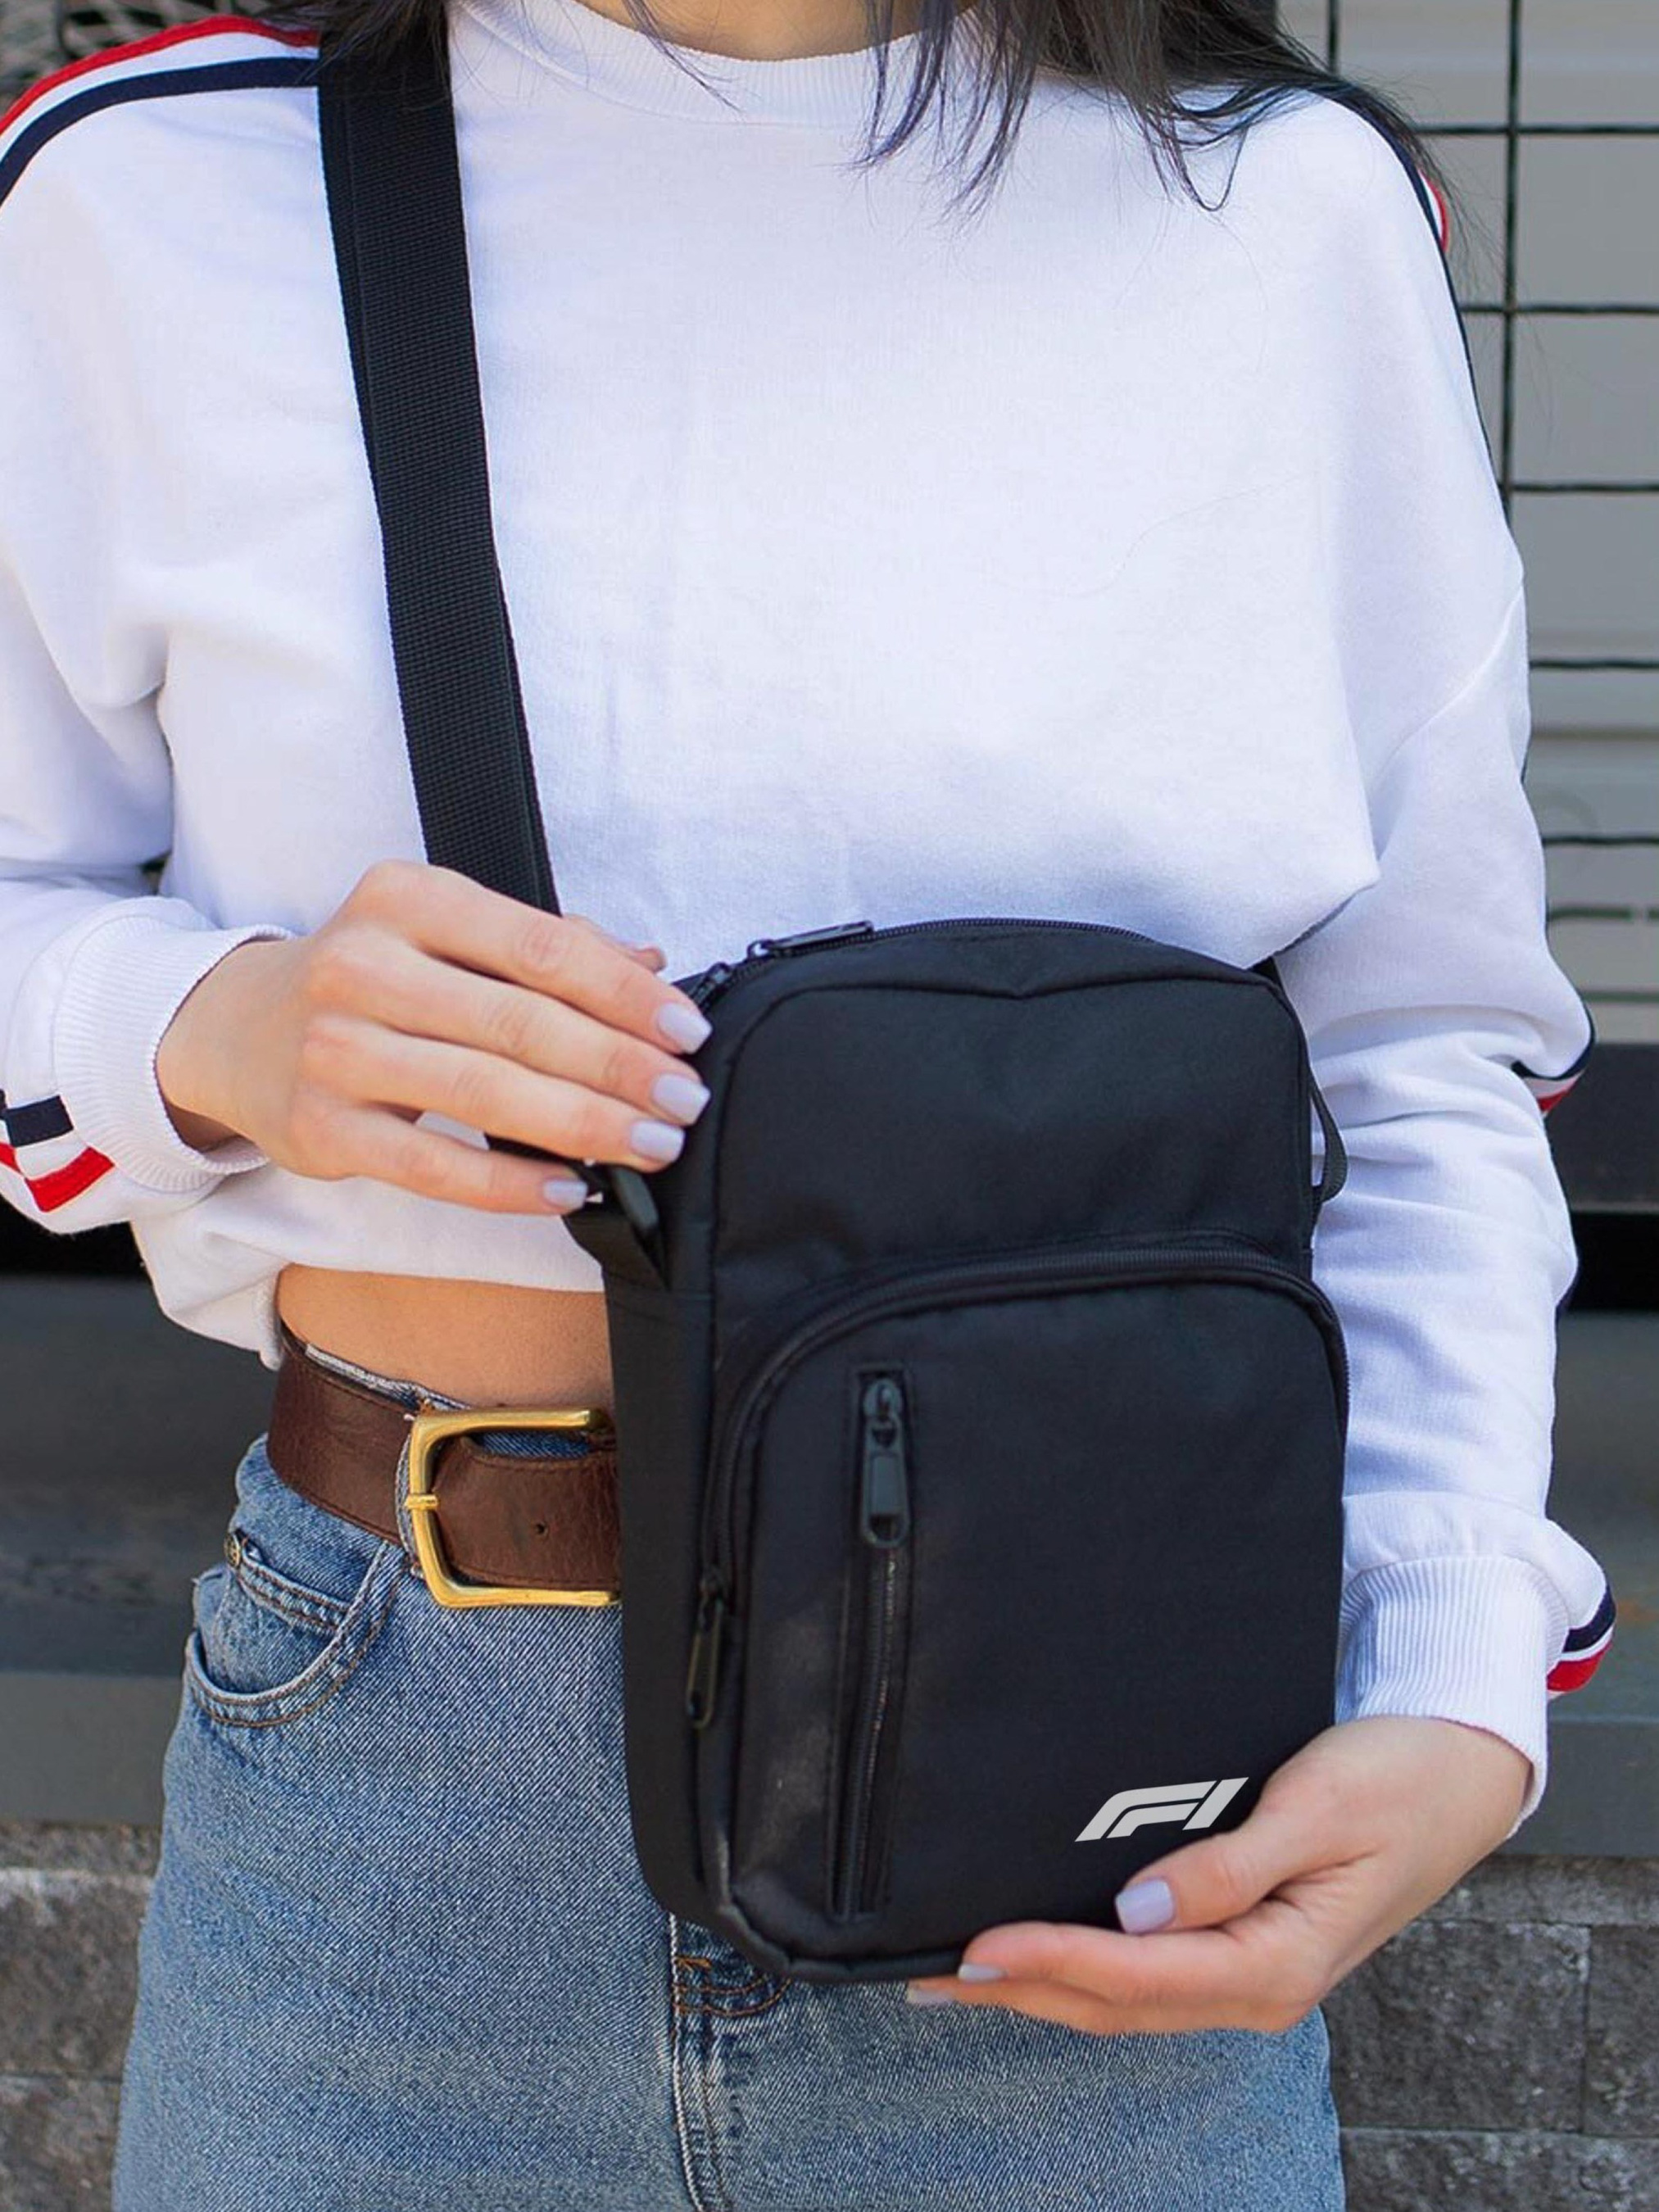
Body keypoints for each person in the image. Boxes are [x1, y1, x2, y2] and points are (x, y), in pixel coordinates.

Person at [0, 0, 1617, 2203]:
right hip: (393, 1798)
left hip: (1091, 1791)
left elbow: (1413, 1047)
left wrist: (1449, 1662)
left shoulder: (1280, 203)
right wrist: (213, 1020)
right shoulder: (149, 189)